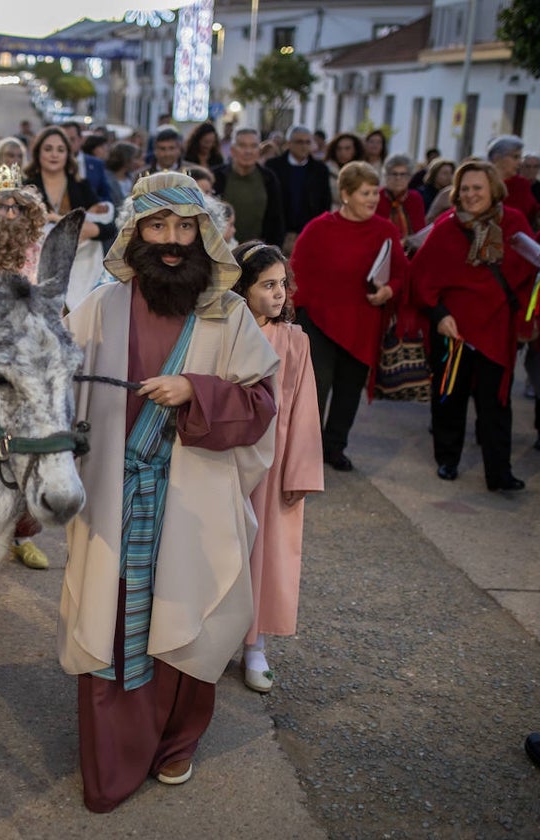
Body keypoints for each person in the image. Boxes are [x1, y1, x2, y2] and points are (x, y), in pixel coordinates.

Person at [60, 172, 279, 812]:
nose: (172, 241)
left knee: (189, 615)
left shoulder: (230, 312)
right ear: (136, 234)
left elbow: (262, 405)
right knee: (111, 617)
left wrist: (195, 392)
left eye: (186, 227)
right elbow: (59, 391)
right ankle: (110, 760)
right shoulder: (101, 306)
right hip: (114, 499)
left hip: (194, 501)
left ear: (205, 234)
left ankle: (177, 742)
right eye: (158, 227)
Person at [231, 241, 324, 693]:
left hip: (274, 462)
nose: (279, 293)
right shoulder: (222, 331)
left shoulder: (295, 340)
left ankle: (255, 646)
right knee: (222, 550)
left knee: (265, 554)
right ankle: (211, 640)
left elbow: (305, 407)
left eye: (282, 283)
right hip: (226, 458)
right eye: (267, 285)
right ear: (242, 288)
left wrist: (300, 473)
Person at [412, 160, 539, 491]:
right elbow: (422, 279)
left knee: (495, 403)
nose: (470, 195)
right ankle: (447, 460)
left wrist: (527, 317)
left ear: (493, 189)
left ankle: (499, 472)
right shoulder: (445, 228)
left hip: (496, 330)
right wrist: (439, 316)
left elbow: (528, 275)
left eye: (477, 188)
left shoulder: (514, 224)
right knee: (449, 398)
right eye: (464, 188)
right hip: (453, 331)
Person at [290, 161, 408, 472]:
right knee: (315, 389)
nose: (372, 199)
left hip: (362, 322)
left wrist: (388, 292)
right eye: (365, 192)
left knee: (348, 389)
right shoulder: (318, 229)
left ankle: (335, 447)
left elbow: (400, 274)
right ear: (345, 194)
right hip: (318, 321)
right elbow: (297, 273)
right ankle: (305, 452)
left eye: (375, 192)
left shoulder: (386, 230)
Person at [0, 164, 52, 570]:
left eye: (15, 207)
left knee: (33, 441)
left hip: (27, 352)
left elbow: (44, 294)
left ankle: (22, 534)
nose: (8, 215)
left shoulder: (35, 246)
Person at [23, 126, 117, 310]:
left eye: (60, 149)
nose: (54, 155)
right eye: (48, 149)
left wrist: (92, 229)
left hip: (79, 270)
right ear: (37, 152)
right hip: (39, 270)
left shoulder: (81, 186)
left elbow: (109, 227)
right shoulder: (27, 187)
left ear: (68, 154)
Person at [213, 127, 286, 248]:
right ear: (232, 150)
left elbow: (277, 219)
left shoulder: (269, 178)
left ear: (259, 150)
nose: (248, 151)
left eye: (253, 146)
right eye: (242, 145)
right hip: (220, 250)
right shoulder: (217, 176)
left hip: (258, 252)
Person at [265, 125, 332, 254]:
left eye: (308, 142)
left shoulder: (320, 169)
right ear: (289, 143)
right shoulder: (273, 166)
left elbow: (325, 202)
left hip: (309, 232)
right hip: (278, 233)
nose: (304, 146)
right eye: (299, 142)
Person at [376, 153, 427, 250]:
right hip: (381, 250)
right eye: (394, 174)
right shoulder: (377, 197)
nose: (398, 178)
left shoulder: (415, 198)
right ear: (386, 176)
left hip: (410, 250)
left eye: (403, 174)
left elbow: (420, 230)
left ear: (410, 177)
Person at [488, 134, 538, 227]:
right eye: (515, 157)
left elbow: (532, 214)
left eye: (520, 157)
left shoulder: (522, 185)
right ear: (497, 158)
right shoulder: (482, 182)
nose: (520, 162)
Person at [61, 120, 113, 204]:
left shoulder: (97, 164)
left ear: (80, 139)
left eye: (72, 139)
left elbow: (106, 196)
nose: (67, 144)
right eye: (64, 140)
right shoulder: (53, 164)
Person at [323, 132, 365, 210]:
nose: (342, 152)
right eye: (339, 149)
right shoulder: (325, 170)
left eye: (347, 148)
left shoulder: (362, 171)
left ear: (355, 150)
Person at [103, 141, 142, 207]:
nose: (138, 162)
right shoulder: (106, 179)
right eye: (135, 158)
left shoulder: (133, 177)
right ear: (126, 158)